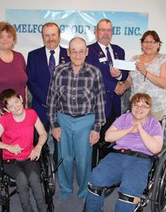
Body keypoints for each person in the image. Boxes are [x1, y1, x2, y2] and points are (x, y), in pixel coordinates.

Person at [47, 37, 106, 202]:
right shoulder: (58, 71)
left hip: (86, 122)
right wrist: (54, 124)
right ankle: (65, 190)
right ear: (68, 52)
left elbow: (100, 102)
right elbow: (51, 100)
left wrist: (97, 128)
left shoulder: (94, 72)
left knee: (83, 160)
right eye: (74, 51)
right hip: (63, 120)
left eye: (81, 51)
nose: (78, 55)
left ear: (87, 52)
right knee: (64, 158)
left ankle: (83, 191)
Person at [85, 93, 163, 212]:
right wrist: (129, 130)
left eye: (144, 106)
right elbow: (108, 137)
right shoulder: (124, 118)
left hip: (140, 160)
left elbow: (156, 148)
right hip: (118, 155)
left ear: (149, 109)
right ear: (131, 106)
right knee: (96, 179)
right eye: (136, 104)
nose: (139, 108)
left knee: (129, 191)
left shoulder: (154, 124)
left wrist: (140, 129)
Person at [0, 88, 47, 212]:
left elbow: (43, 134)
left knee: (34, 178)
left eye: (16, 102)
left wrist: (38, 147)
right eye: (11, 106)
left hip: (29, 157)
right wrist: (8, 147)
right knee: (21, 179)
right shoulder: (5, 119)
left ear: (21, 98)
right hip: (11, 160)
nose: (16, 107)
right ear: (6, 109)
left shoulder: (31, 114)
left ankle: (43, 209)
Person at [86, 18, 129, 167]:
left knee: (110, 141)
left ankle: (106, 170)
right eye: (102, 30)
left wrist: (119, 77)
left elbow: (124, 74)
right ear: (96, 32)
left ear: (112, 32)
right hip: (97, 105)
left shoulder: (119, 50)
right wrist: (113, 86)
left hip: (114, 105)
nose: (106, 33)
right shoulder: (88, 51)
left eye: (108, 30)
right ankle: (92, 173)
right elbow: (94, 75)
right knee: (94, 142)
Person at [26, 22, 70, 164]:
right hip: (41, 106)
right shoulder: (33, 55)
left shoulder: (69, 54)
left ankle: (59, 164)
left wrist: (60, 102)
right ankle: (39, 165)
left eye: (53, 35)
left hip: (63, 108)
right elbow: (31, 81)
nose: (50, 38)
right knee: (38, 138)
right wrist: (47, 101)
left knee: (61, 140)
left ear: (59, 36)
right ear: (42, 37)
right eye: (47, 35)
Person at [124, 30, 166, 121]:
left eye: (153, 42)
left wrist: (145, 72)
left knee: (154, 135)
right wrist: (121, 84)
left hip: (155, 107)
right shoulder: (134, 59)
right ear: (142, 44)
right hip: (136, 107)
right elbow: (128, 81)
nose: (149, 44)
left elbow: (164, 83)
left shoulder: (164, 59)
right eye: (146, 41)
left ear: (158, 44)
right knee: (134, 133)